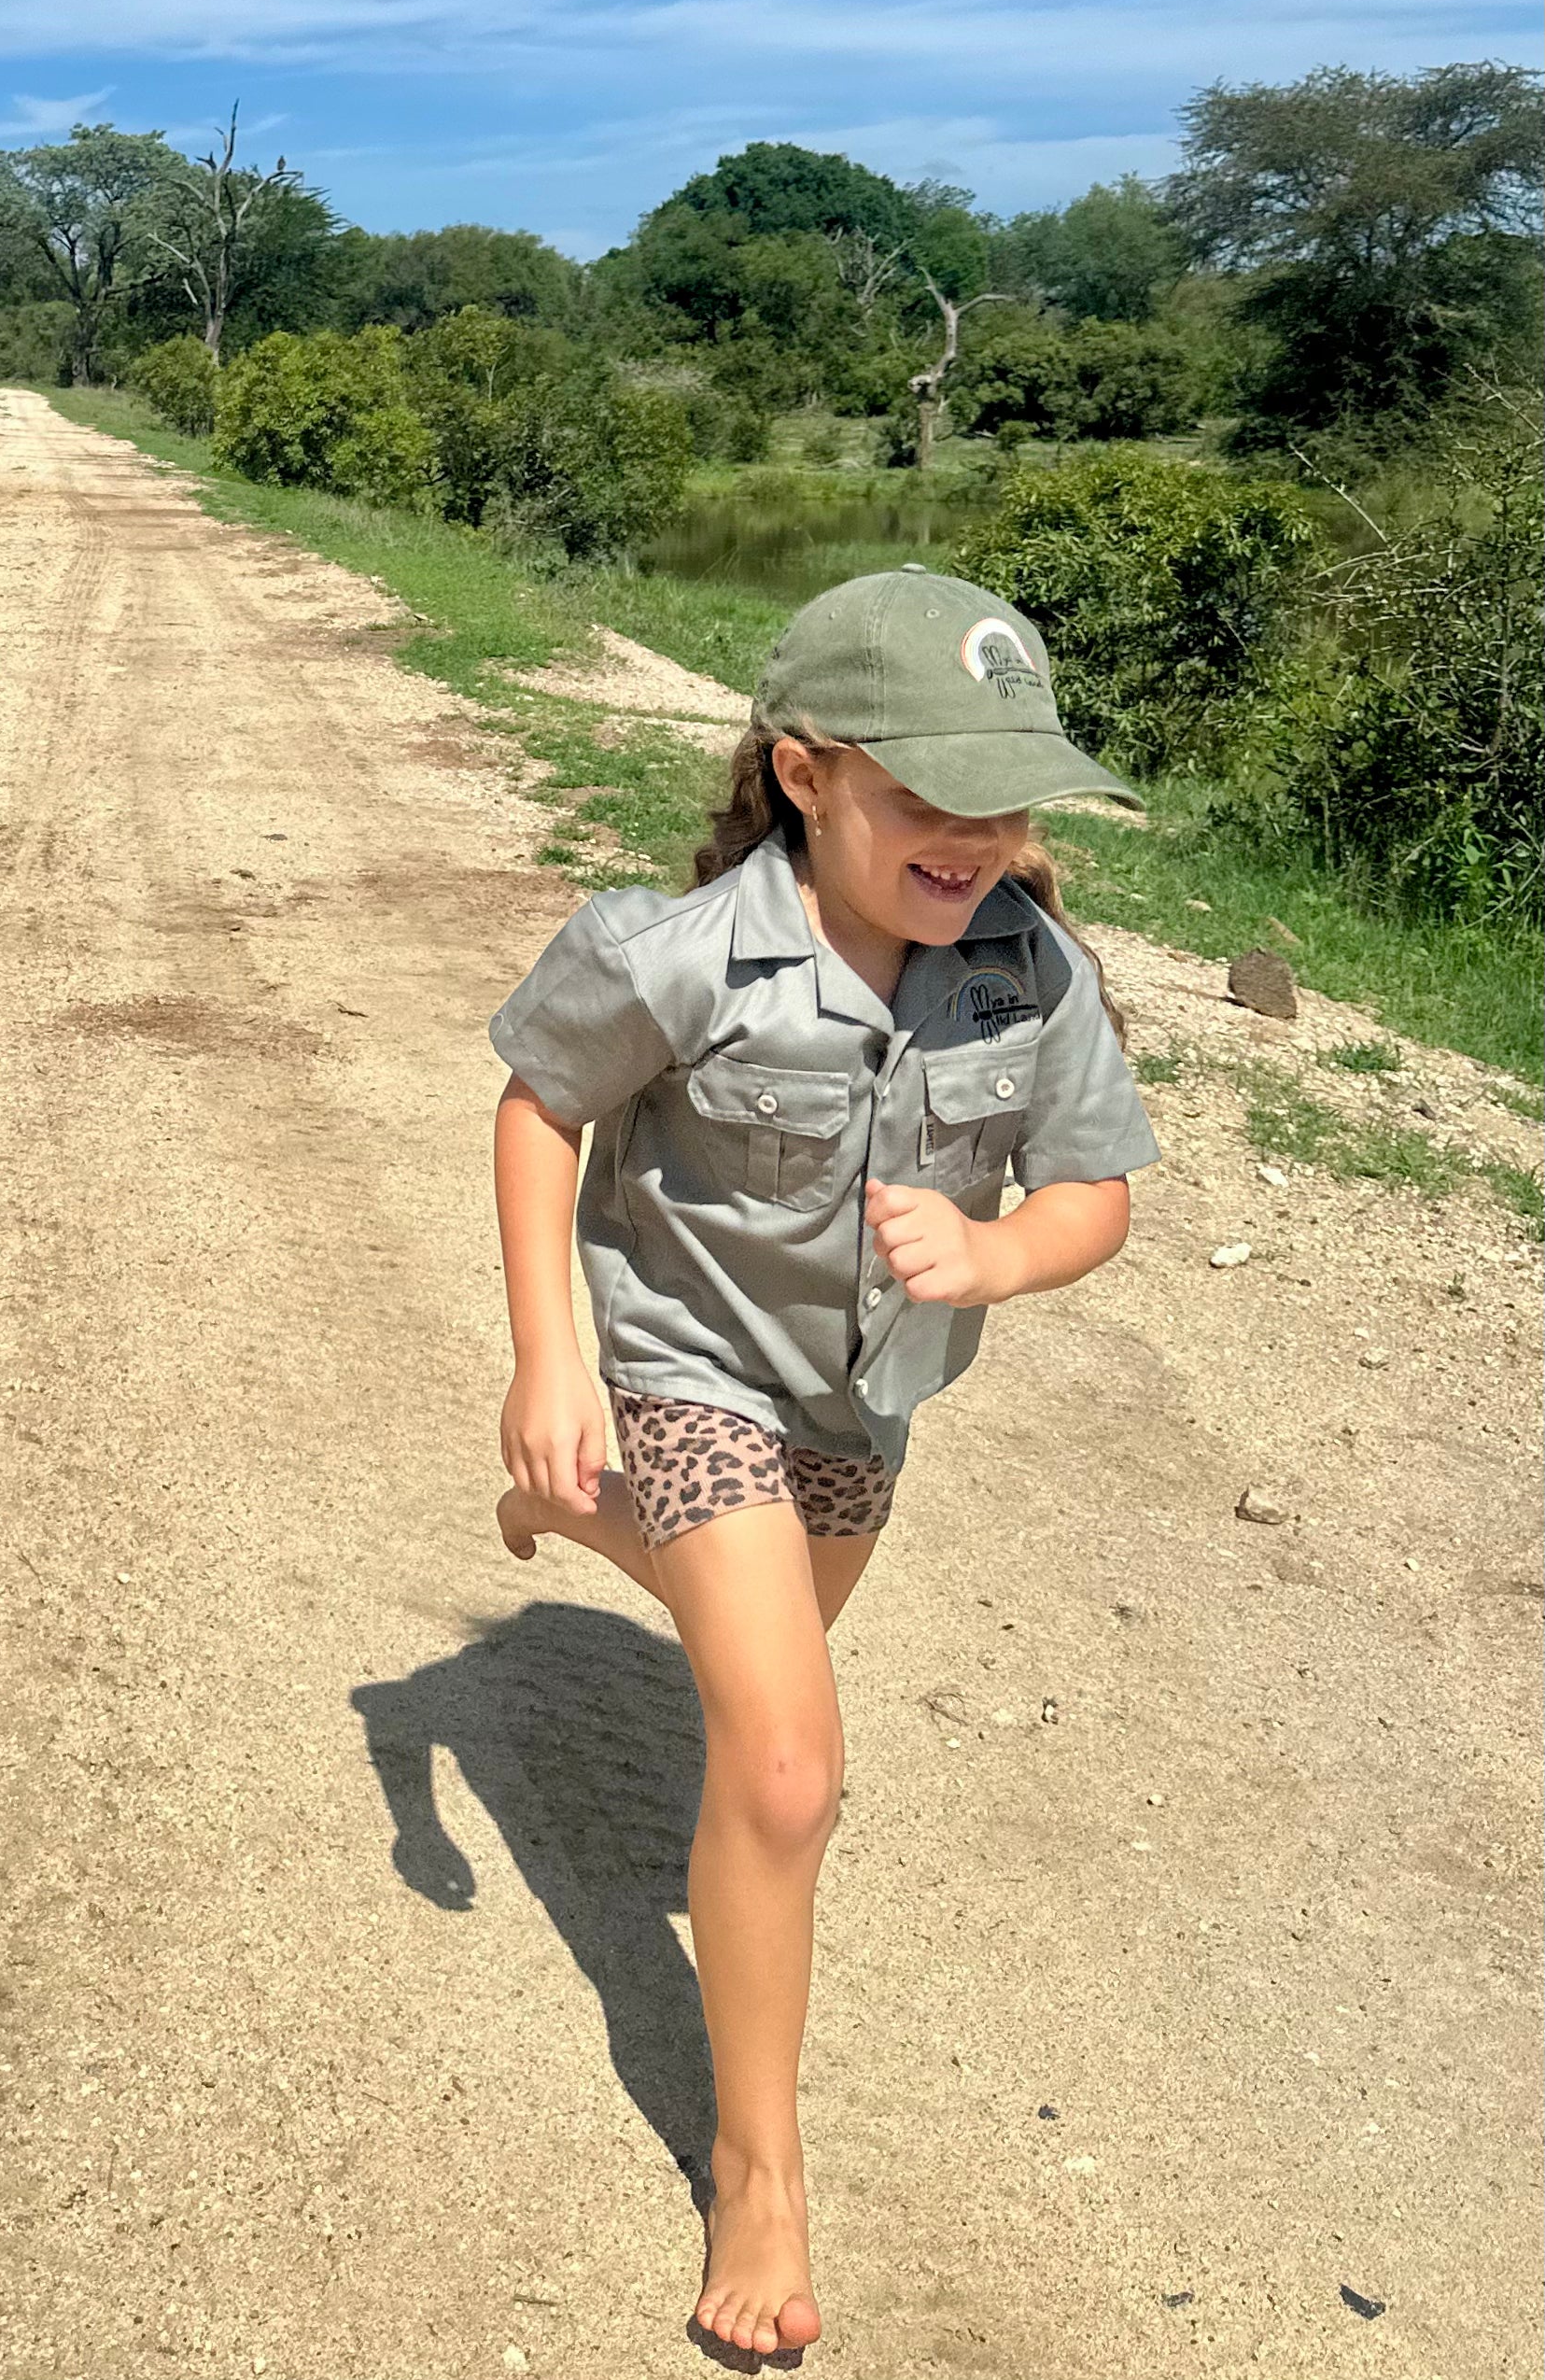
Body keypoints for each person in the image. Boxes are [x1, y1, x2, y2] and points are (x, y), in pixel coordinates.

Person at [487, 569, 1156, 2361]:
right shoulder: (680, 953)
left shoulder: (1036, 969)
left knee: (763, 1646)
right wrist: (553, 1352)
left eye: (1003, 801)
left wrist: (1002, 1255)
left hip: (866, 1401)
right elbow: (541, 1103)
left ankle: (573, 1518)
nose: (973, 840)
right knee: (783, 1769)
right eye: (926, 798)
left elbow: (1093, 1190)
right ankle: (759, 2171)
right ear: (804, 775)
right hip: (693, 1370)